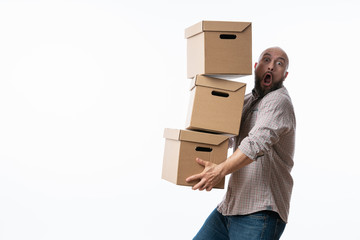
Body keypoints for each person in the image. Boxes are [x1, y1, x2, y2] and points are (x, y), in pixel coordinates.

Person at [186, 47, 296, 240]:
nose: (271, 66)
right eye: (266, 60)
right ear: (256, 66)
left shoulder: (278, 101)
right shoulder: (246, 101)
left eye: (279, 64)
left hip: (260, 212)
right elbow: (224, 138)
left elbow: (255, 143)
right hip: (229, 208)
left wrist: (218, 171)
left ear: (285, 75)